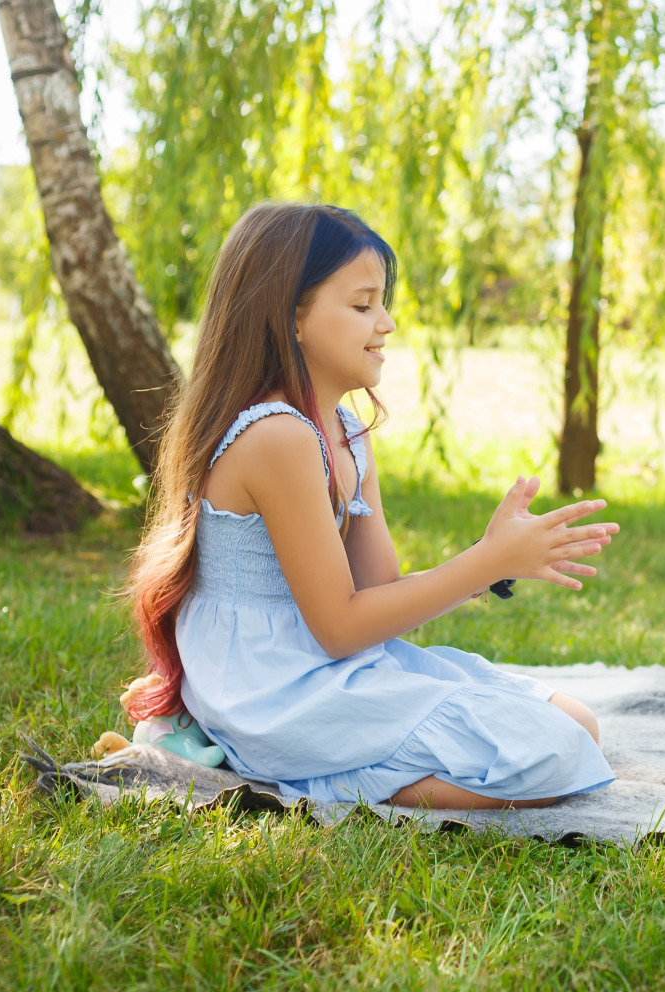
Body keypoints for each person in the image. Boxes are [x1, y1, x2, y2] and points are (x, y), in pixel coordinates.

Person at [123, 202, 618, 810]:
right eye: (362, 305)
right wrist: (483, 562)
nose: (385, 323)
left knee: (574, 721)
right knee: (551, 751)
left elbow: (378, 595)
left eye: (382, 302)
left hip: (329, 662)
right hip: (271, 690)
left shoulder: (345, 430)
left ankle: (323, 767)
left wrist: (495, 560)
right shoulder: (277, 437)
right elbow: (341, 628)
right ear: (291, 316)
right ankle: (303, 782)